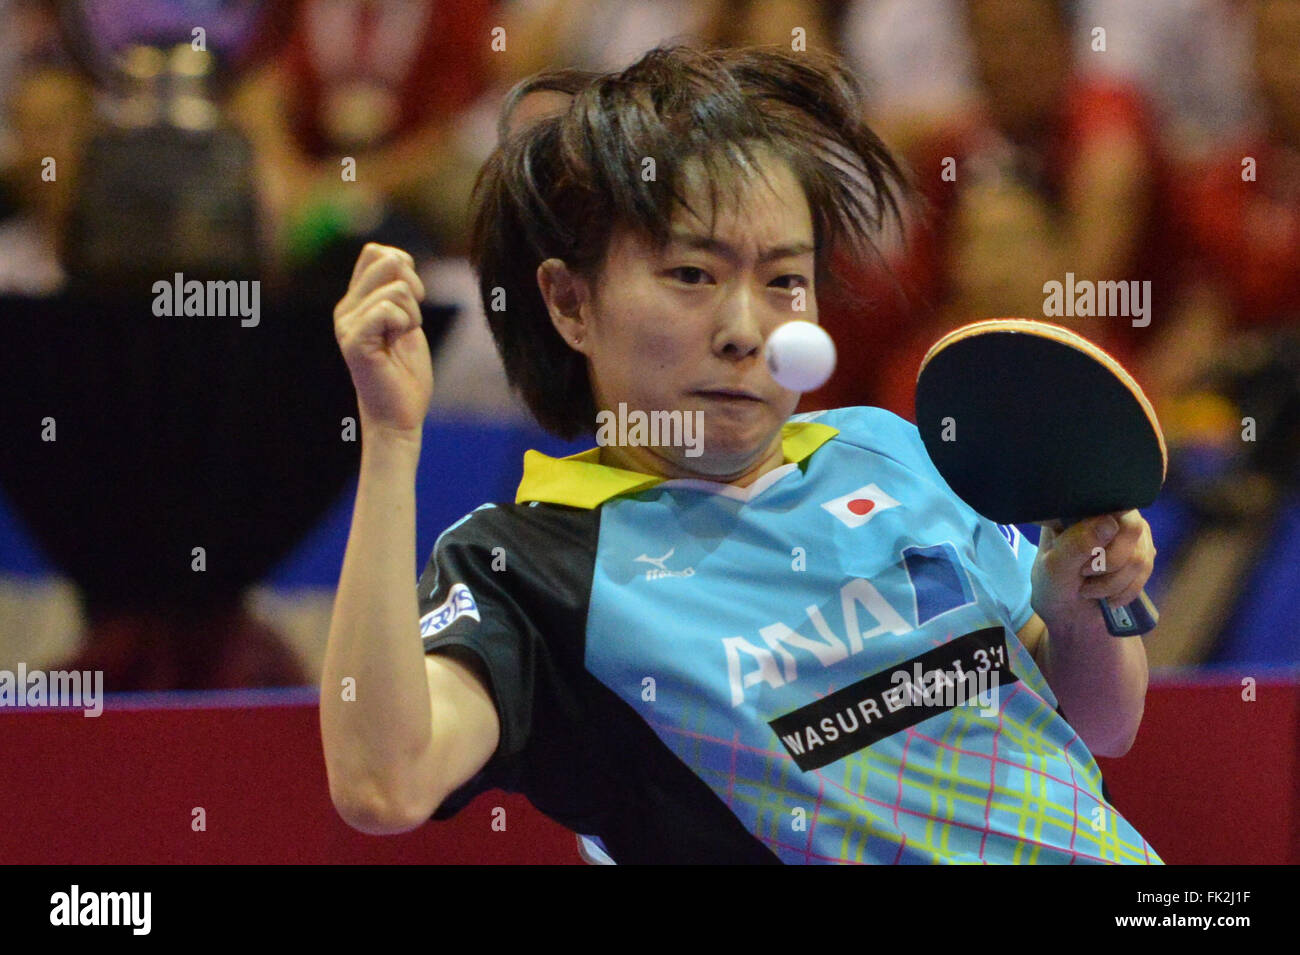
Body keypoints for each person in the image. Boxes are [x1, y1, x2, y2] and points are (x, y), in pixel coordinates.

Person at [320, 45, 1162, 864]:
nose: (745, 330)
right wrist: (391, 442)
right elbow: (383, 783)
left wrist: (1078, 604)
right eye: (691, 274)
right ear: (570, 303)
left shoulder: (892, 451)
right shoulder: (531, 570)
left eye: (784, 281)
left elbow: (1101, 725)